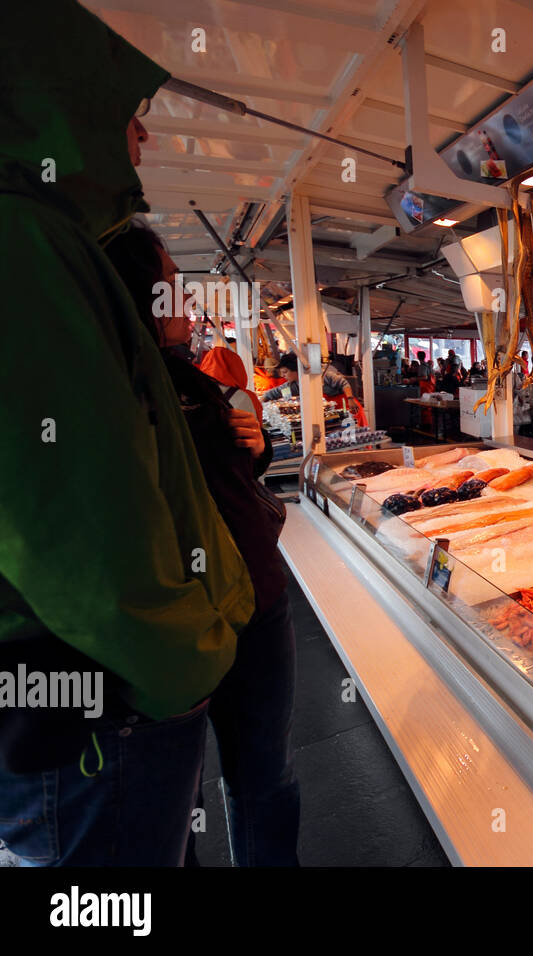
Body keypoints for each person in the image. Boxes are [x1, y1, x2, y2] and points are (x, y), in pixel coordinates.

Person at [0, 1, 255, 865]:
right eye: (128, 114)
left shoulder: (45, 242)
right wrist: (189, 666)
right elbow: (80, 526)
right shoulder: (22, 245)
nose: (141, 141)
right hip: (92, 709)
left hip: (84, 699)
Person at [105, 222, 301, 866]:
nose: (186, 303)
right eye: (170, 288)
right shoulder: (118, 394)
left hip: (250, 607)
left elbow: (235, 480)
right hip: (180, 624)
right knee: (173, 806)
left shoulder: (195, 383)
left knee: (258, 777)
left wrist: (256, 445)